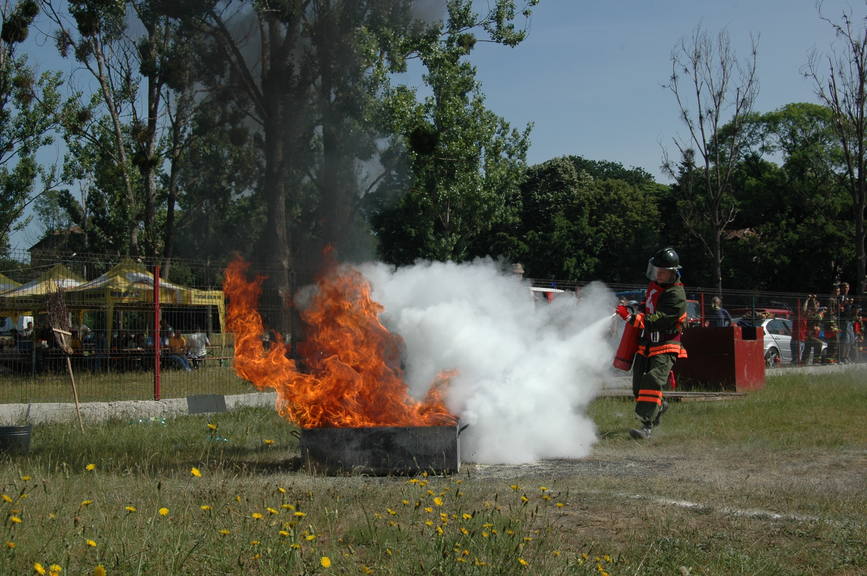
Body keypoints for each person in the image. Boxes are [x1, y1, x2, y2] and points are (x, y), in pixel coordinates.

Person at [615, 247, 688, 440]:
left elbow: (657, 319)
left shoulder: (676, 295)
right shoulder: (655, 286)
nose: (658, 274)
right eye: (657, 270)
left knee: (652, 380)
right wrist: (633, 307)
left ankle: (646, 426)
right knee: (639, 387)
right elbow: (648, 307)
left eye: (662, 271)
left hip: (666, 344)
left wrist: (632, 318)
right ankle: (660, 405)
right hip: (646, 343)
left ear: (673, 272)